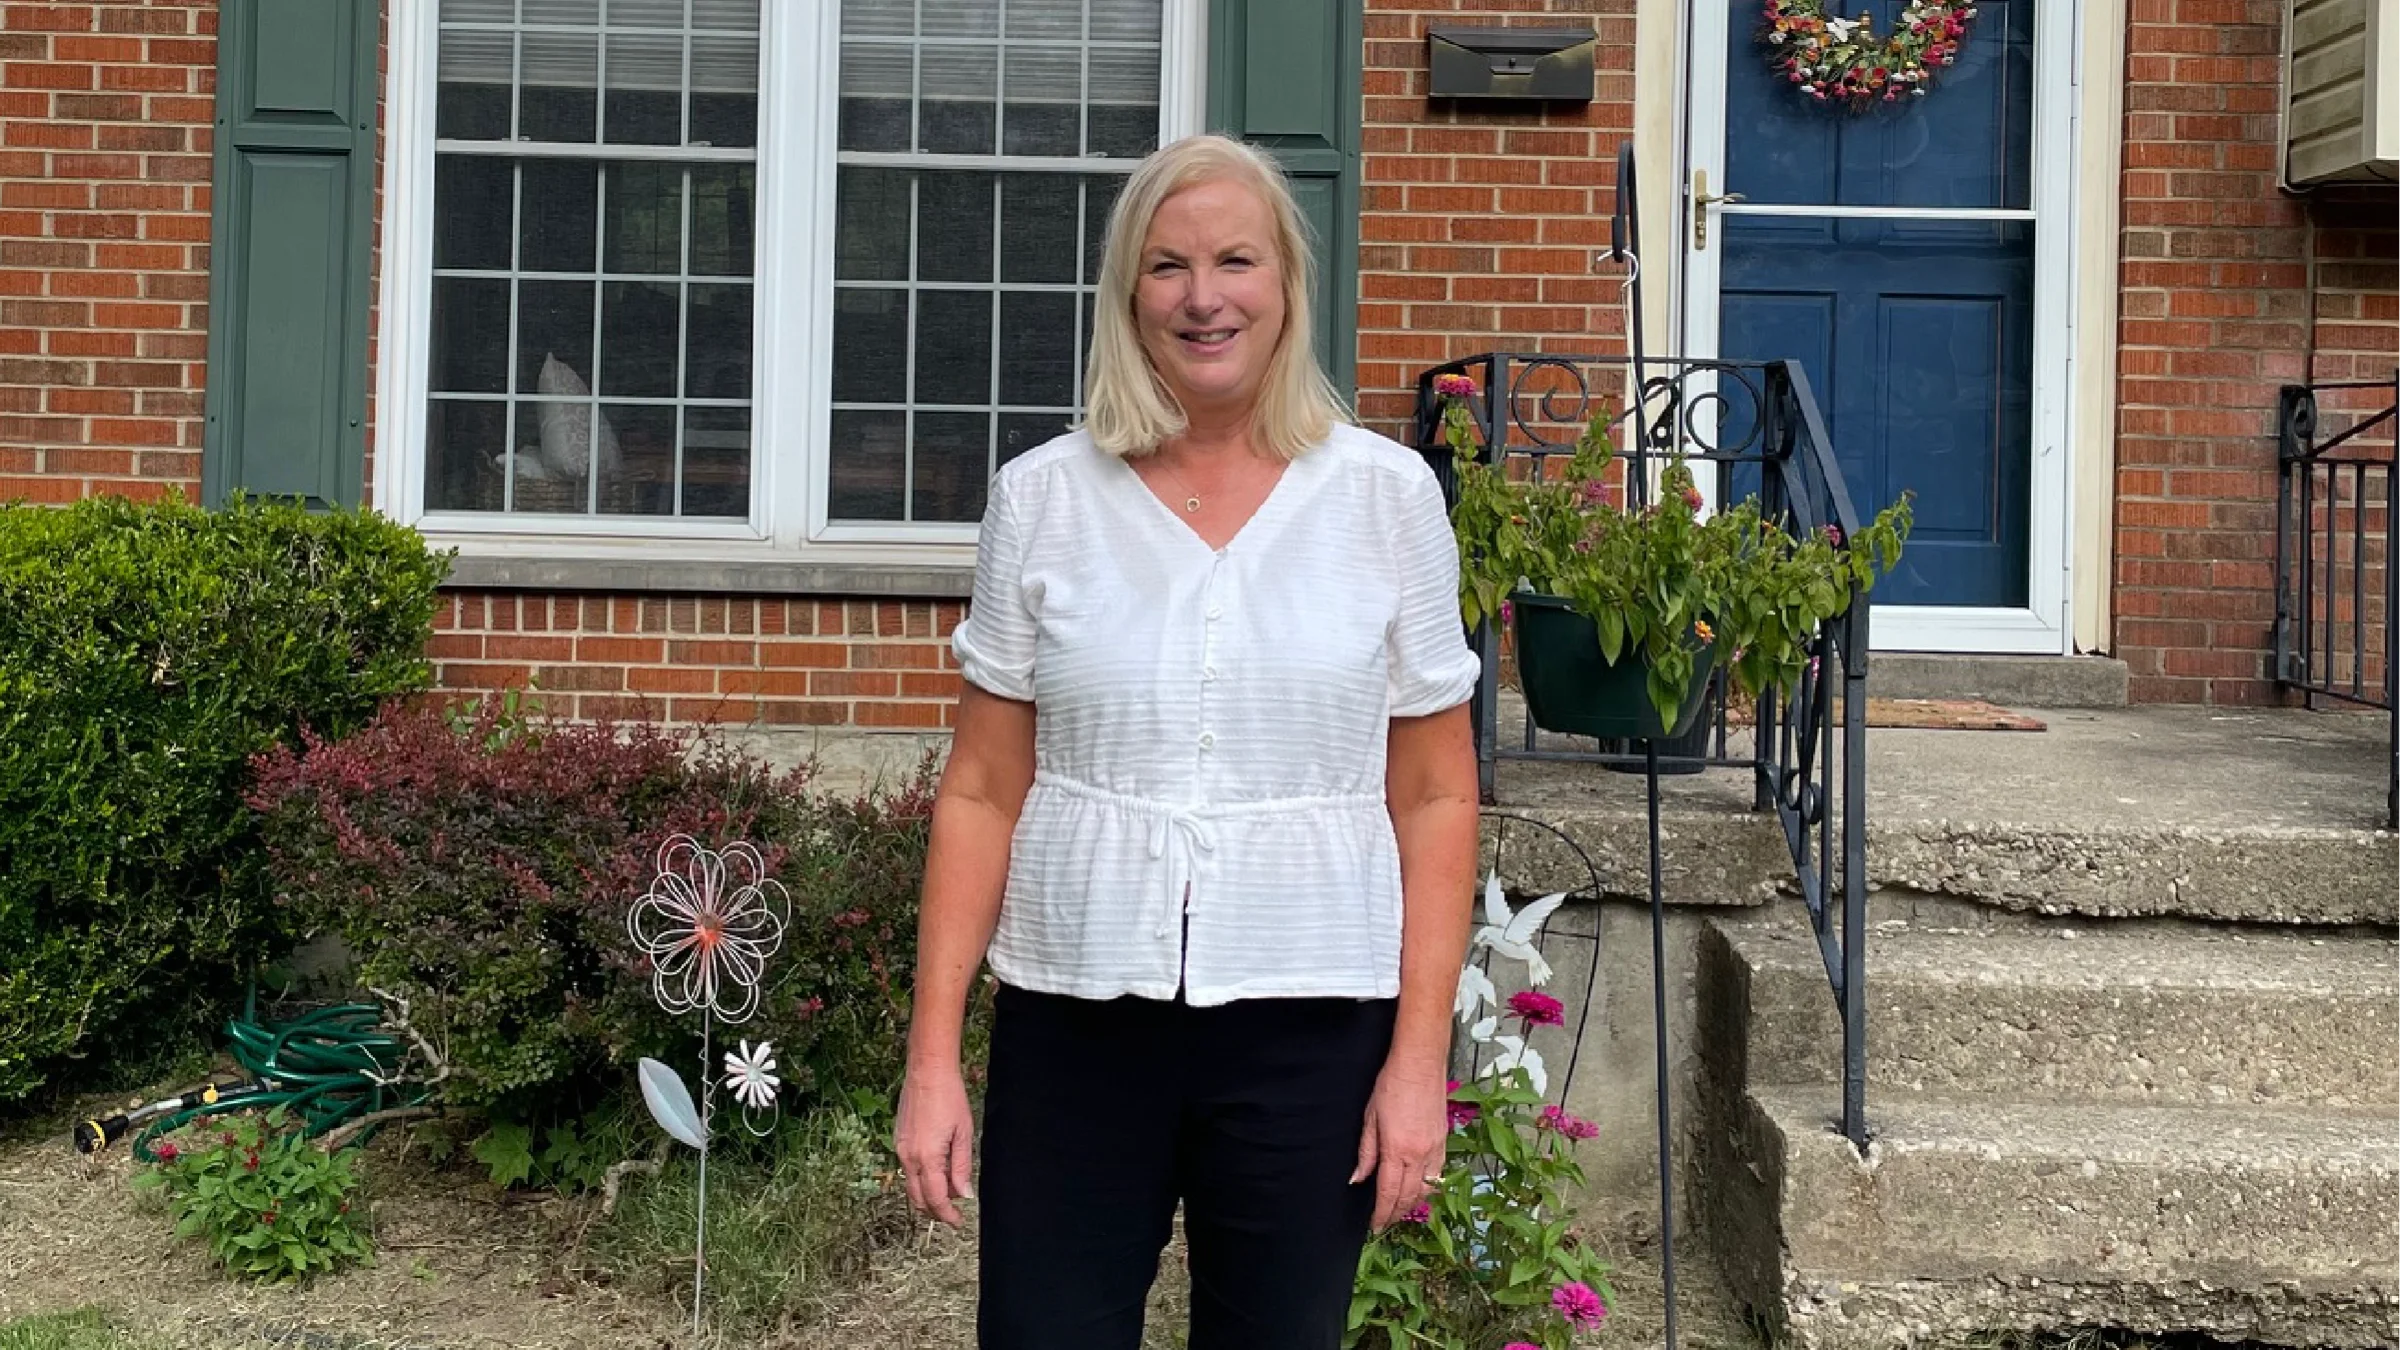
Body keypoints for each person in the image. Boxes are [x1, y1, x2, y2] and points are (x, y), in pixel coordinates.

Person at [894, 132, 1482, 1350]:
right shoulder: (1044, 498)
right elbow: (983, 791)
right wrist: (933, 1058)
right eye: (1167, 267)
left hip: (1311, 1021)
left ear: (1285, 287)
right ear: (1128, 296)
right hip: (1075, 1018)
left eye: (1234, 261)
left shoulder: (1386, 499)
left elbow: (1432, 796)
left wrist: (1419, 1063)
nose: (1203, 297)